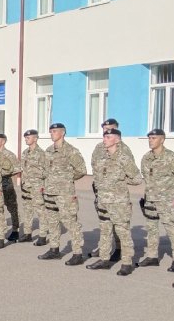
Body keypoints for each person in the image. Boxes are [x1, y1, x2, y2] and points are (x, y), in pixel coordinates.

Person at [85, 128, 142, 275]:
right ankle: (104, 259)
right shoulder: (102, 158)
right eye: (104, 137)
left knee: (123, 232)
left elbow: (137, 179)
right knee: (105, 231)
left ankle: (127, 263)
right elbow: (98, 177)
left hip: (119, 203)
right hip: (103, 201)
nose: (104, 139)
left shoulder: (124, 158)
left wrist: (120, 181)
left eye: (108, 137)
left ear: (117, 140)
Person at [37, 123, 87, 265]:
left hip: (64, 194)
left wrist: (66, 179)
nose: (51, 134)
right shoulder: (48, 150)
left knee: (70, 222)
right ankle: (54, 249)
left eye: (54, 131)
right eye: (50, 131)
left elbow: (81, 170)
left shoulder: (71, 151)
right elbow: (44, 169)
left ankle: (77, 253)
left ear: (63, 133)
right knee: (52, 222)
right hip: (49, 192)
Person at [137, 129, 174, 281]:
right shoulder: (146, 158)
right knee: (151, 228)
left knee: (171, 228)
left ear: (162, 140)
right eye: (149, 138)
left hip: (166, 199)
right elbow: (146, 177)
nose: (150, 140)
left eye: (154, 138)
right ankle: (152, 256)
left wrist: (168, 188)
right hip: (150, 198)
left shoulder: (172, 157)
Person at [89, 118, 135, 261]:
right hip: (102, 192)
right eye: (104, 129)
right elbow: (94, 165)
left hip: (116, 195)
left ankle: (119, 249)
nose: (106, 131)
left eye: (110, 129)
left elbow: (131, 173)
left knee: (119, 224)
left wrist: (116, 183)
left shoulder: (124, 149)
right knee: (105, 223)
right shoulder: (99, 147)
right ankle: (104, 248)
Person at [19, 129, 47, 245]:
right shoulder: (25, 152)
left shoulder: (41, 154)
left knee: (41, 211)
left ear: (35, 138)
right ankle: (27, 234)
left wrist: (42, 184)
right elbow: (23, 169)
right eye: (25, 138)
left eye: (28, 137)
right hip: (26, 186)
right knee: (27, 210)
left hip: (37, 186)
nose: (26, 139)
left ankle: (43, 236)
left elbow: (47, 171)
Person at [0, 133, 21, 241]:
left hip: (6, 184)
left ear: (3, 142)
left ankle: (15, 230)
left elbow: (17, 168)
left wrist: (3, 173)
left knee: (12, 208)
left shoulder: (9, 155)